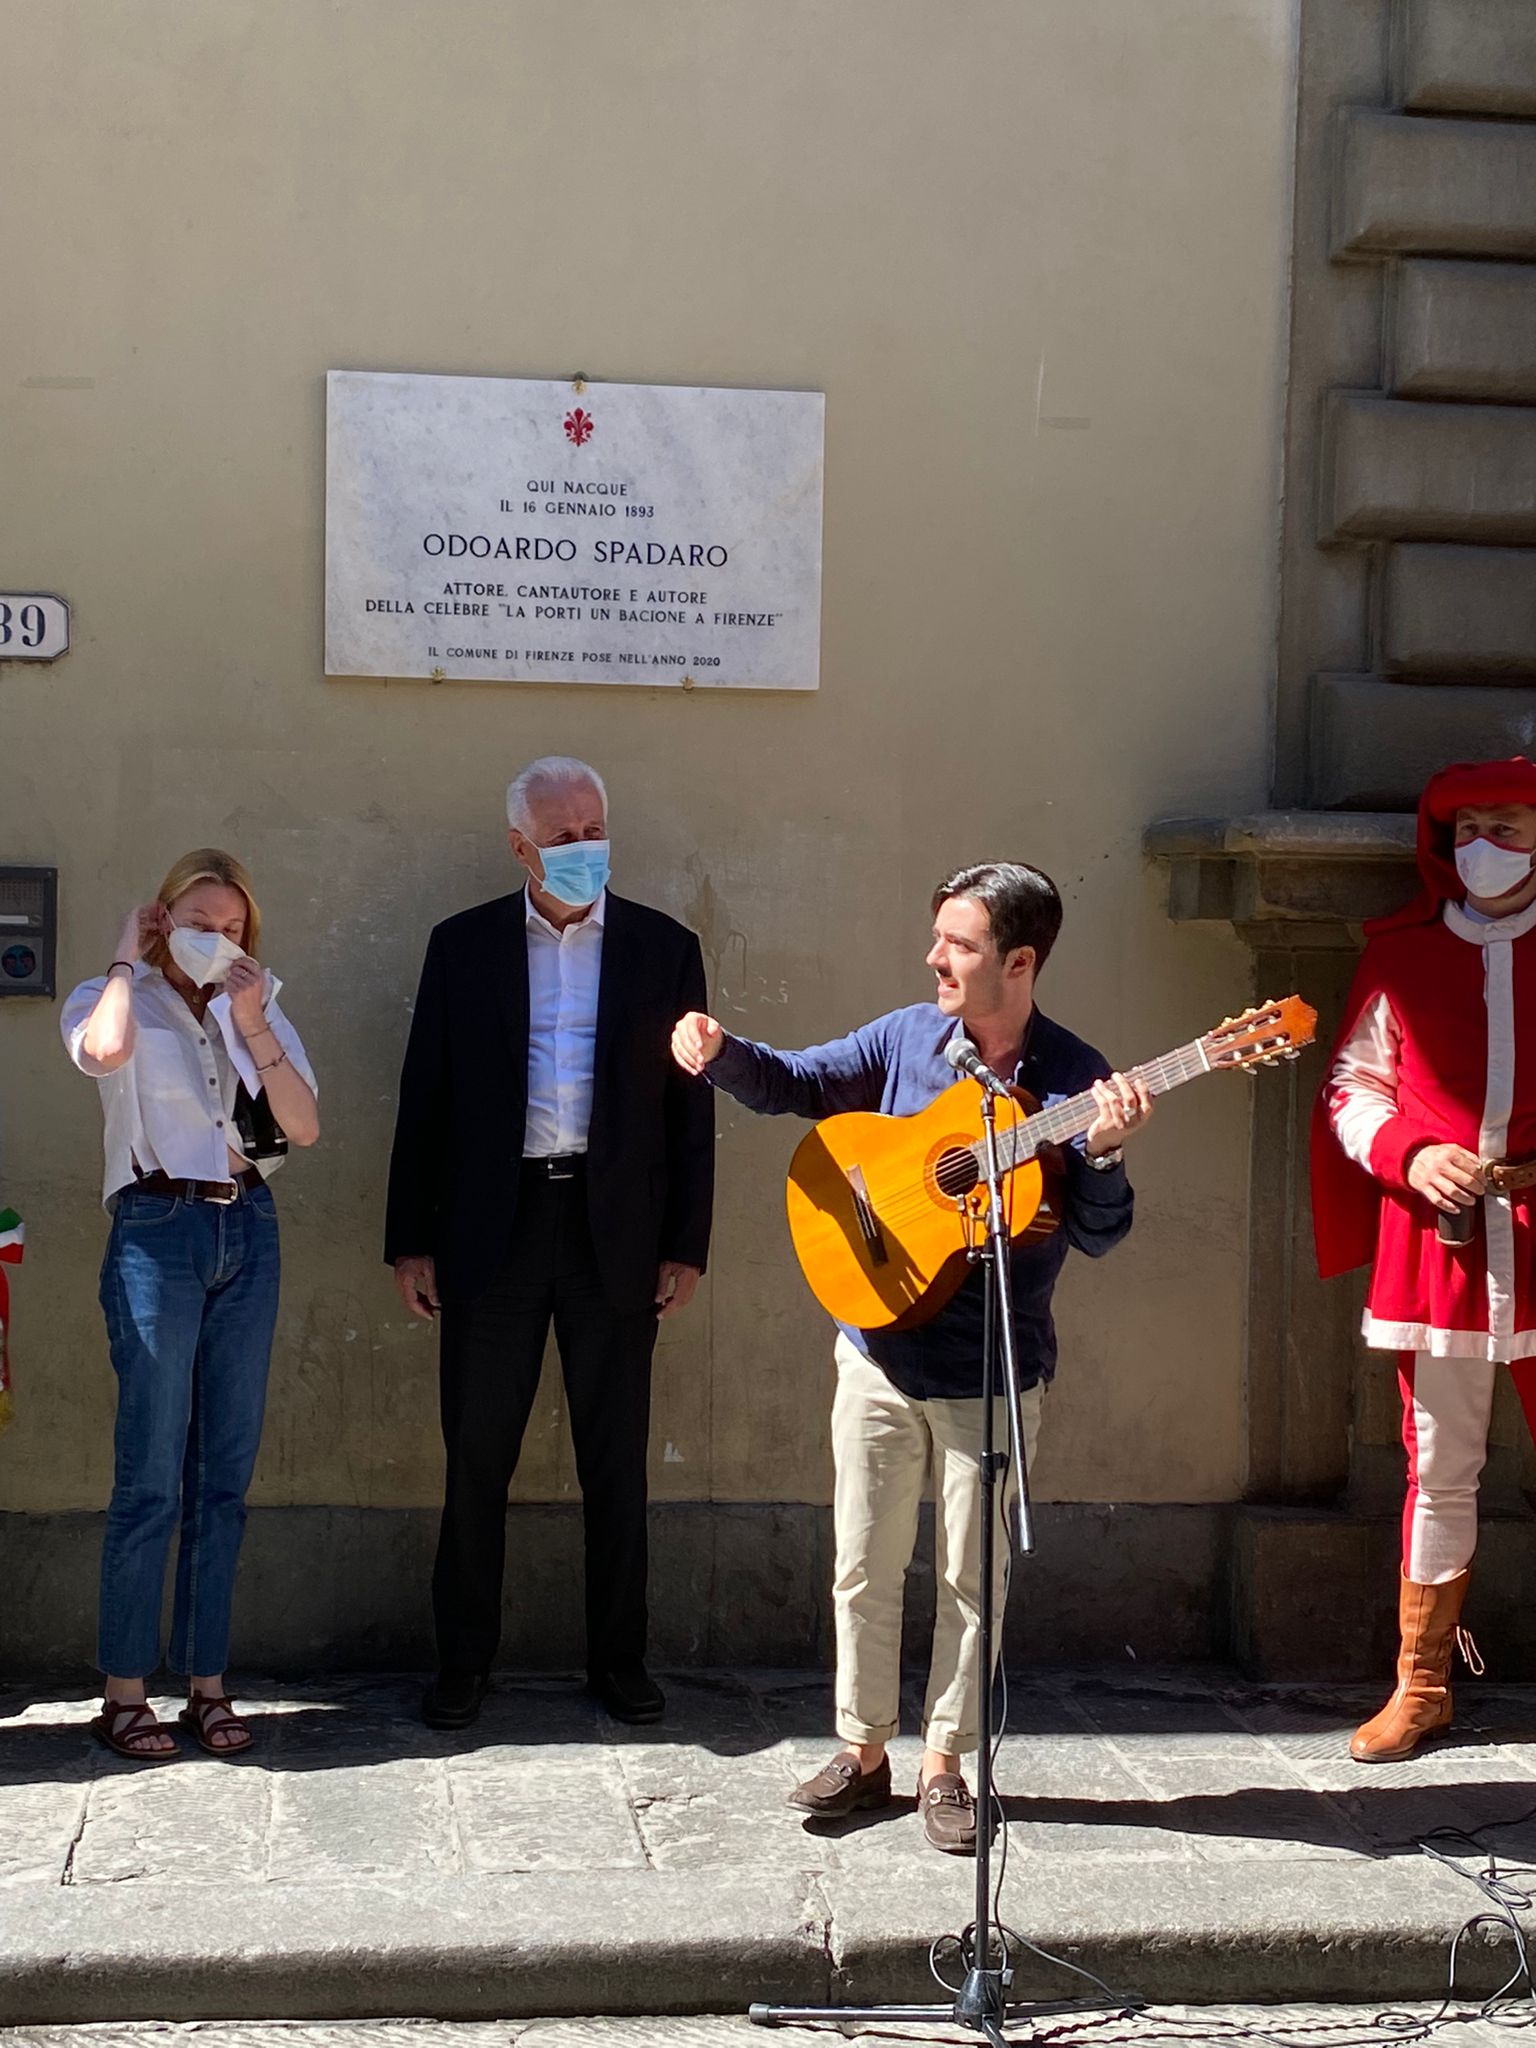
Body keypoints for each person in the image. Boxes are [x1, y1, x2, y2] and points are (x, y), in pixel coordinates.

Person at [671, 861, 1149, 1853]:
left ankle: (945, 1763)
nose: (935, 956)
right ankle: (862, 1747)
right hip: (879, 1351)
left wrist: (1100, 1152)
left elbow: (1101, 1233)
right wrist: (719, 1052)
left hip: (993, 1366)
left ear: (1018, 962)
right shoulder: (904, 1039)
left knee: (976, 1579)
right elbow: (799, 1081)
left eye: (960, 944)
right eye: (938, 937)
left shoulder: (1070, 1076)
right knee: (863, 1560)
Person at [386, 756, 714, 1730]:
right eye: (565, 836)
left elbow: (689, 1114)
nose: (585, 850)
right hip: (496, 1228)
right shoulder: (464, 946)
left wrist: (684, 1243)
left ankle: (619, 1659)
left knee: (615, 1459)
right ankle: (463, 1662)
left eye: (595, 829)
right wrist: (411, 1240)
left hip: (615, 1230)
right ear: (520, 843)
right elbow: (425, 1097)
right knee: (476, 1454)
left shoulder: (666, 948)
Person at [61, 850, 319, 1760]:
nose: (219, 937)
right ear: (165, 917)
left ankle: (207, 1684)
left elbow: (303, 1124)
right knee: (149, 1472)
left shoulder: (260, 1005)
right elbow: (105, 1052)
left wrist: (252, 1020)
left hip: (247, 1226)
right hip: (156, 1228)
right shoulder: (109, 991)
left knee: (224, 1473)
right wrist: (127, 961)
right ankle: (124, 1690)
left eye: (235, 926)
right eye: (201, 920)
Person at [1314, 756, 1536, 1763]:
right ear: (1447, 841)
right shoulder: (1400, 954)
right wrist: (1415, 1152)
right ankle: (1425, 1681)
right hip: (1437, 1239)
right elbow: (1354, 1089)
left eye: (1515, 823)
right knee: (1440, 1466)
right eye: (1476, 824)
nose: (1493, 842)